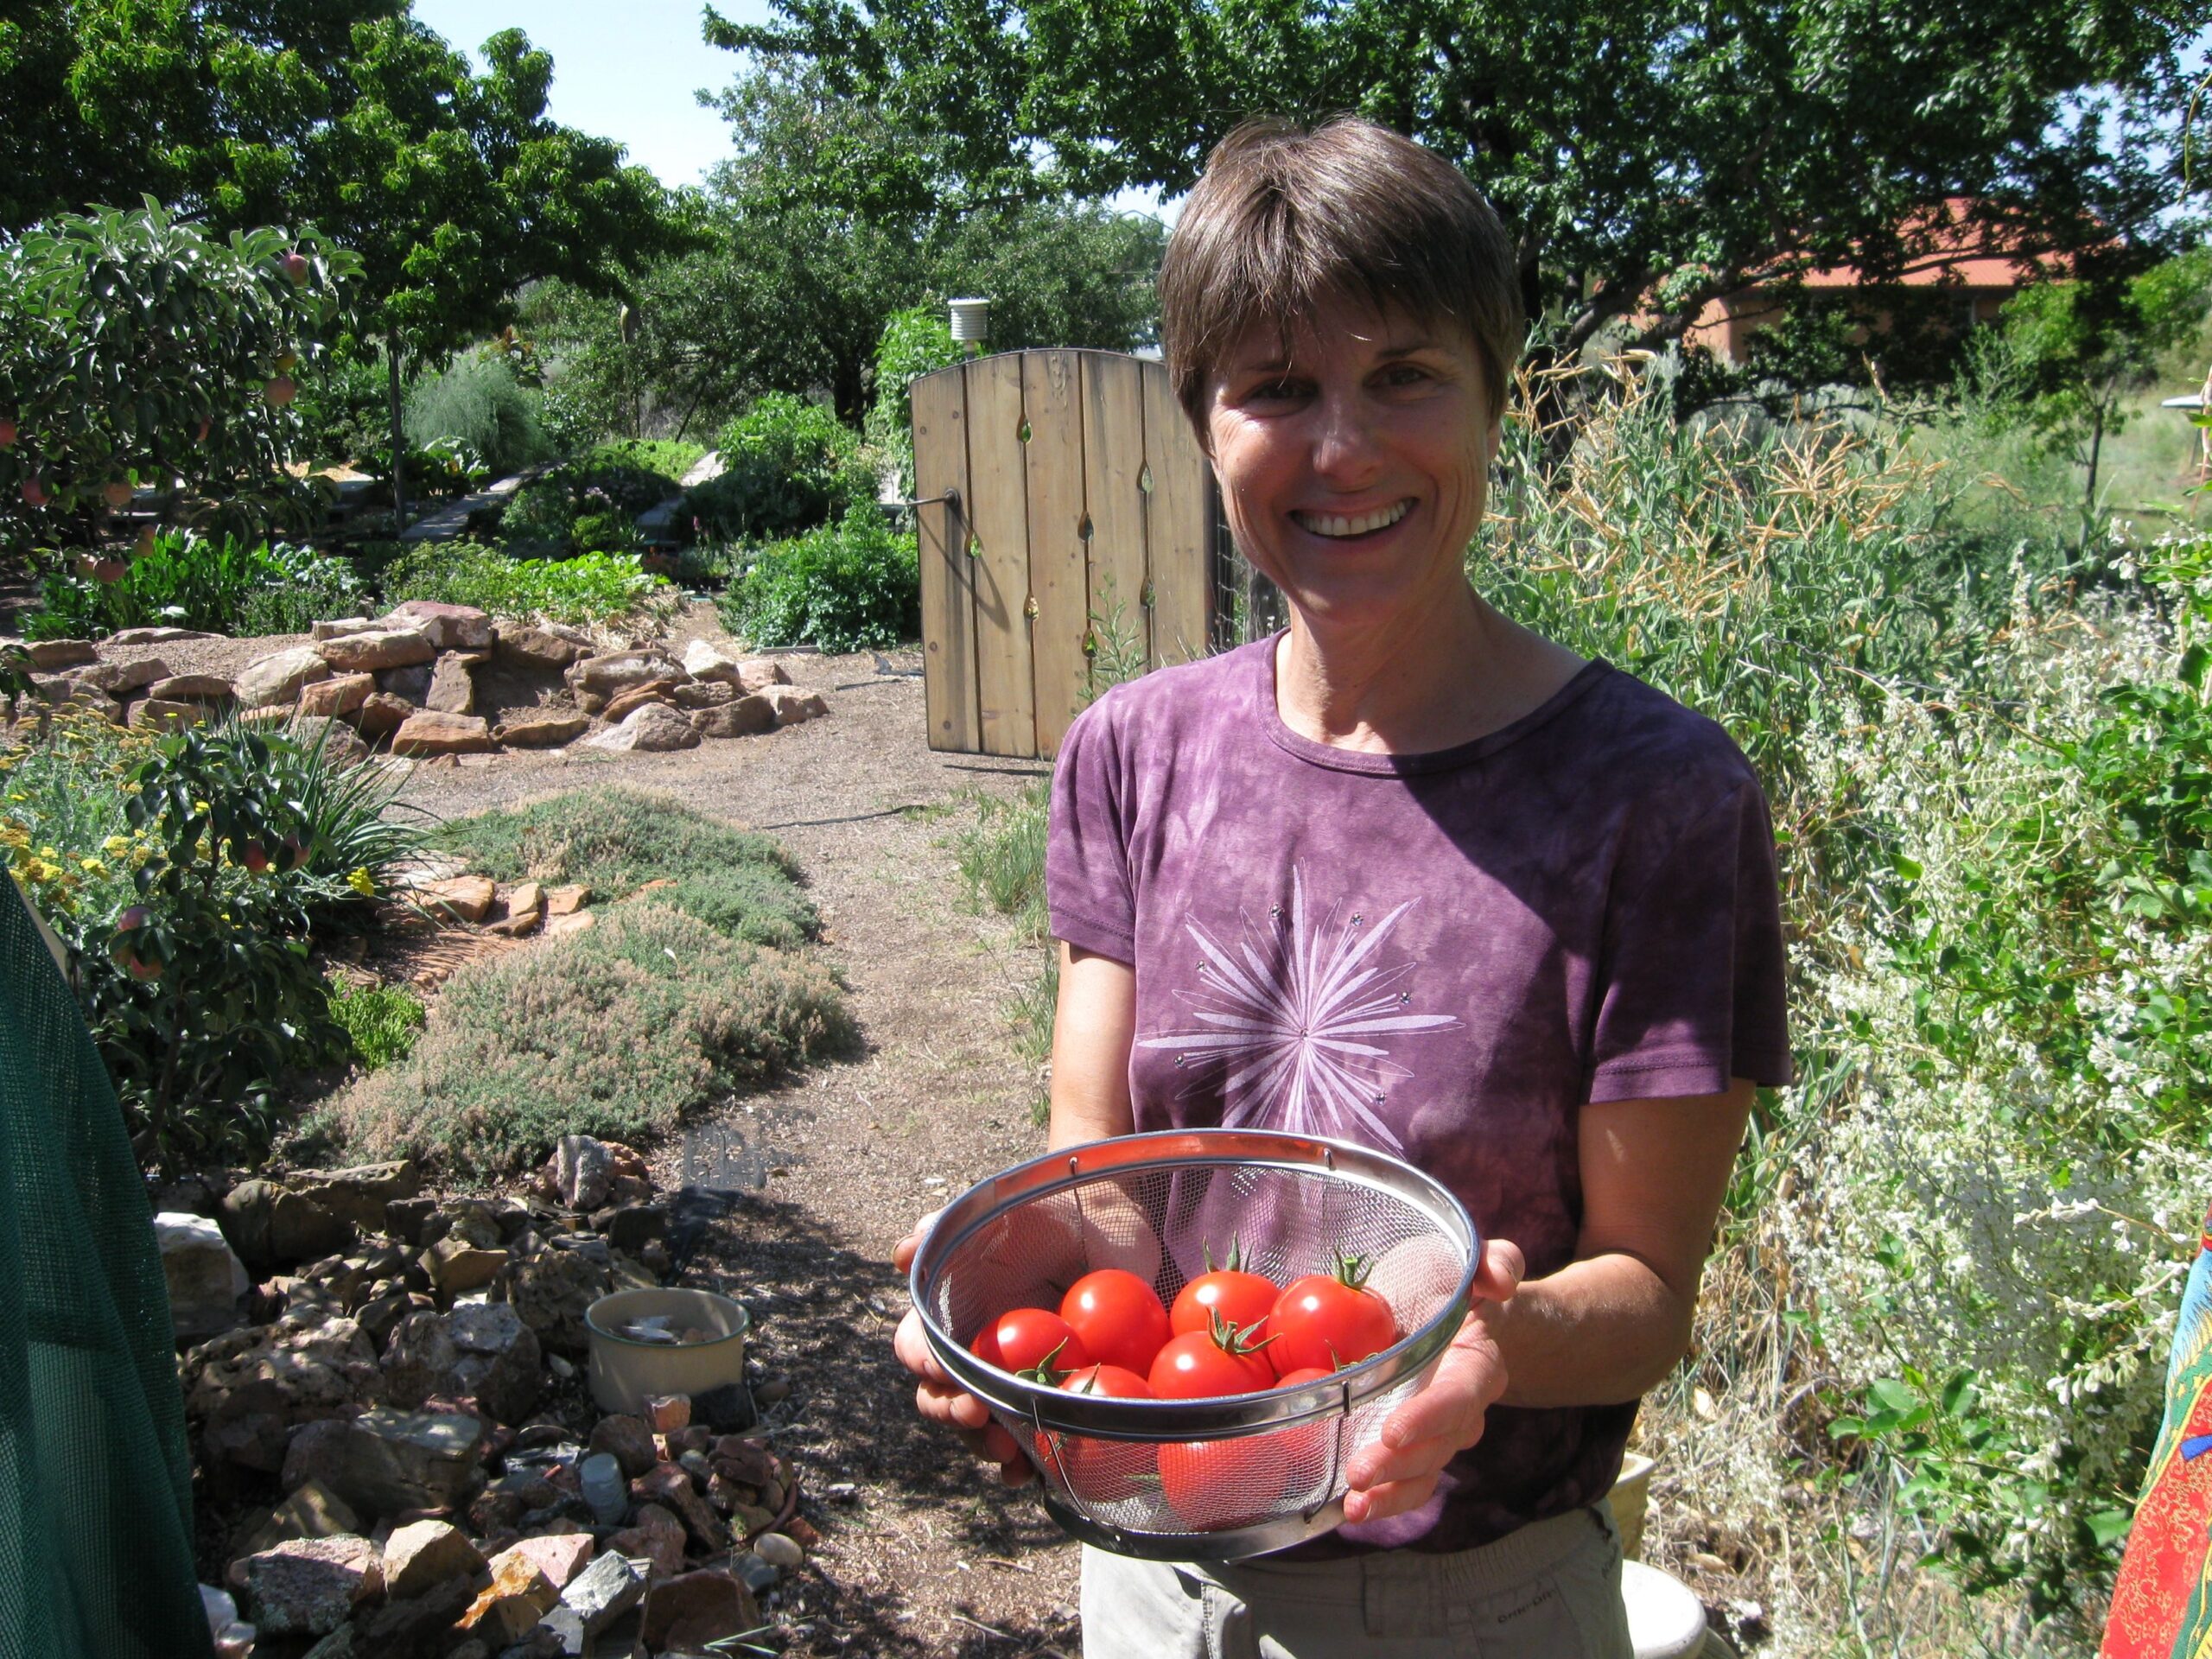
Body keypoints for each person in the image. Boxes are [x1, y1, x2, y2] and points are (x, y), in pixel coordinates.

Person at [894, 114, 1791, 1658]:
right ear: (1203, 423)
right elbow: (1097, 1167)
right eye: (1277, 388)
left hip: (1478, 1601)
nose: (1344, 449)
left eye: (1404, 377)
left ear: (1499, 402)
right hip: (1154, 1567)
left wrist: (1481, 1347)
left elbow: (1649, 1292)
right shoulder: (1130, 753)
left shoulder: (1658, 796)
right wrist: (990, 1299)